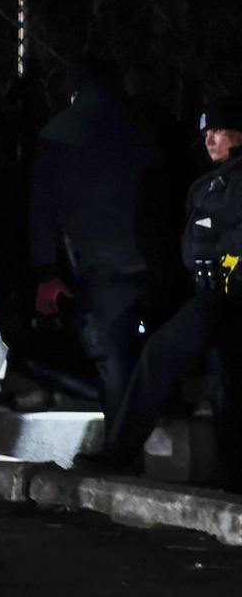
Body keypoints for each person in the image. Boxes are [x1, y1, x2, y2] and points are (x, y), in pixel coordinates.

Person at [83, 95, 242, 489]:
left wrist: (225, 266)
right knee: (228, 384)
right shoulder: (208, 182)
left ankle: (121, 452)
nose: (210, 139)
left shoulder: (236, 180)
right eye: (207, 132)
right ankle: (232, 474)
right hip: (211, 293)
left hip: (228, 295)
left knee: (164, 355)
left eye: (219, 131)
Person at [29, 56, 163, 426]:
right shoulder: (146, 124)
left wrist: (45, 272)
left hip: (100, 268)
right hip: (156, 264)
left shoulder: (59, 133)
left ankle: (120, 449)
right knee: (146, 356)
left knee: (110, 359)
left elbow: (43, 211)